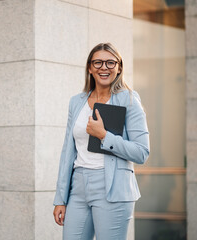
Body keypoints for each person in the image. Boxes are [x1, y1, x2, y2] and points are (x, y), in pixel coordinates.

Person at [52, 43, 150, 240]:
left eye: (110, 62)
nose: (103, 67)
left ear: (119, 67)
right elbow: (67, 152)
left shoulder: (129, 100)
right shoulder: (76, 102)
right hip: (78, 188)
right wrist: (60, 198)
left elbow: (141, 152)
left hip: (112, 189)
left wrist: (104, 136)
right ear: (89, 67)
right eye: (97, 62)